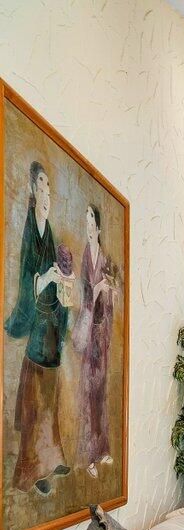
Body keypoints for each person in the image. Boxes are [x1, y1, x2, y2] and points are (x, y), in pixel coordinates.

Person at [5, 161, 72, 496]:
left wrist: (62, 283)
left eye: (49, 188)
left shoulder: (50, 230)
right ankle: (32, 470)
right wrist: (44, 278)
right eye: (42, 186)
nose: (46, 193)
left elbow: (56, 273)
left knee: (51, 399)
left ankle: (52, 458)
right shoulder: (31, 229)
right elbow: (26, 278)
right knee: (35, 402)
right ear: (33, 190)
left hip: (51, 326)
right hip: (36, 327)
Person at [71, 203, 115, 477]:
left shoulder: (105, 259)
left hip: (101, 332)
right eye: (85, 225)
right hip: (89, 335)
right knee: (88, 392)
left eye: (91, 225)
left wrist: (109, 292)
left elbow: (110, 299)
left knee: (101, 391)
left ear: (98, 228)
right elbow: (84, 296)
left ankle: (102, 449)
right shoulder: (85, 257)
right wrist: (97, 290)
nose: (88, 230)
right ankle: (88, 457)